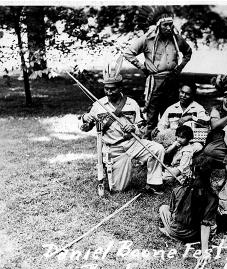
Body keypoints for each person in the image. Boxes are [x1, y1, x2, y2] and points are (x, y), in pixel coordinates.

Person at [79, 56, 165, 194]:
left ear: (120, 88)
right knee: (118, 189)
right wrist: (85, 121)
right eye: (106, 89)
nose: (108, 92)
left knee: (157, 149)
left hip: (132, 143)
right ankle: (114, 170)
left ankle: (153, 184)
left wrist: (134, 127)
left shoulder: (132, 103)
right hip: (114, 149)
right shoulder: (98, 105)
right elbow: (86, 126)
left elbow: (142, 125)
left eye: (112, 89)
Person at [124, 7, 192, 139]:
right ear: (158, 25)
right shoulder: (147, 39)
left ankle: (168, 146)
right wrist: (143, 68)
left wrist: (179, 67)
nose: (168, 27)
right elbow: (128, 53)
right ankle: (148, 150)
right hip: (155, 82)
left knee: (172, 116)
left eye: (170, 24)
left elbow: (188, 53)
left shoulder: (177, 39)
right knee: (152, 117)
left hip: (172, 81)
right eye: (165, 25)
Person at [159, 156, 218, 259]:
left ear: (192, 171)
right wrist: (204, 252)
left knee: (163, 208)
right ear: (209, 173)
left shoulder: (178, 189)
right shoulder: (212, 195)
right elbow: (205, 225)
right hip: (196, 234)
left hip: (177, 231)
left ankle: (169, 232)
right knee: (213, 226)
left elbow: (172, 211)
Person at [156, 83, 210, 153]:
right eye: (182, 92)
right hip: (174, 141)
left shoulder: (198, 108)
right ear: (179, 91)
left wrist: (191, 117)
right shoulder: (171, 109)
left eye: (187, 94)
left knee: (196, 147)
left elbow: (207, 123)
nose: (183, 96)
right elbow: (161, 126)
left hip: (192, 142)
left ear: (192, 95)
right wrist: (159, 132)